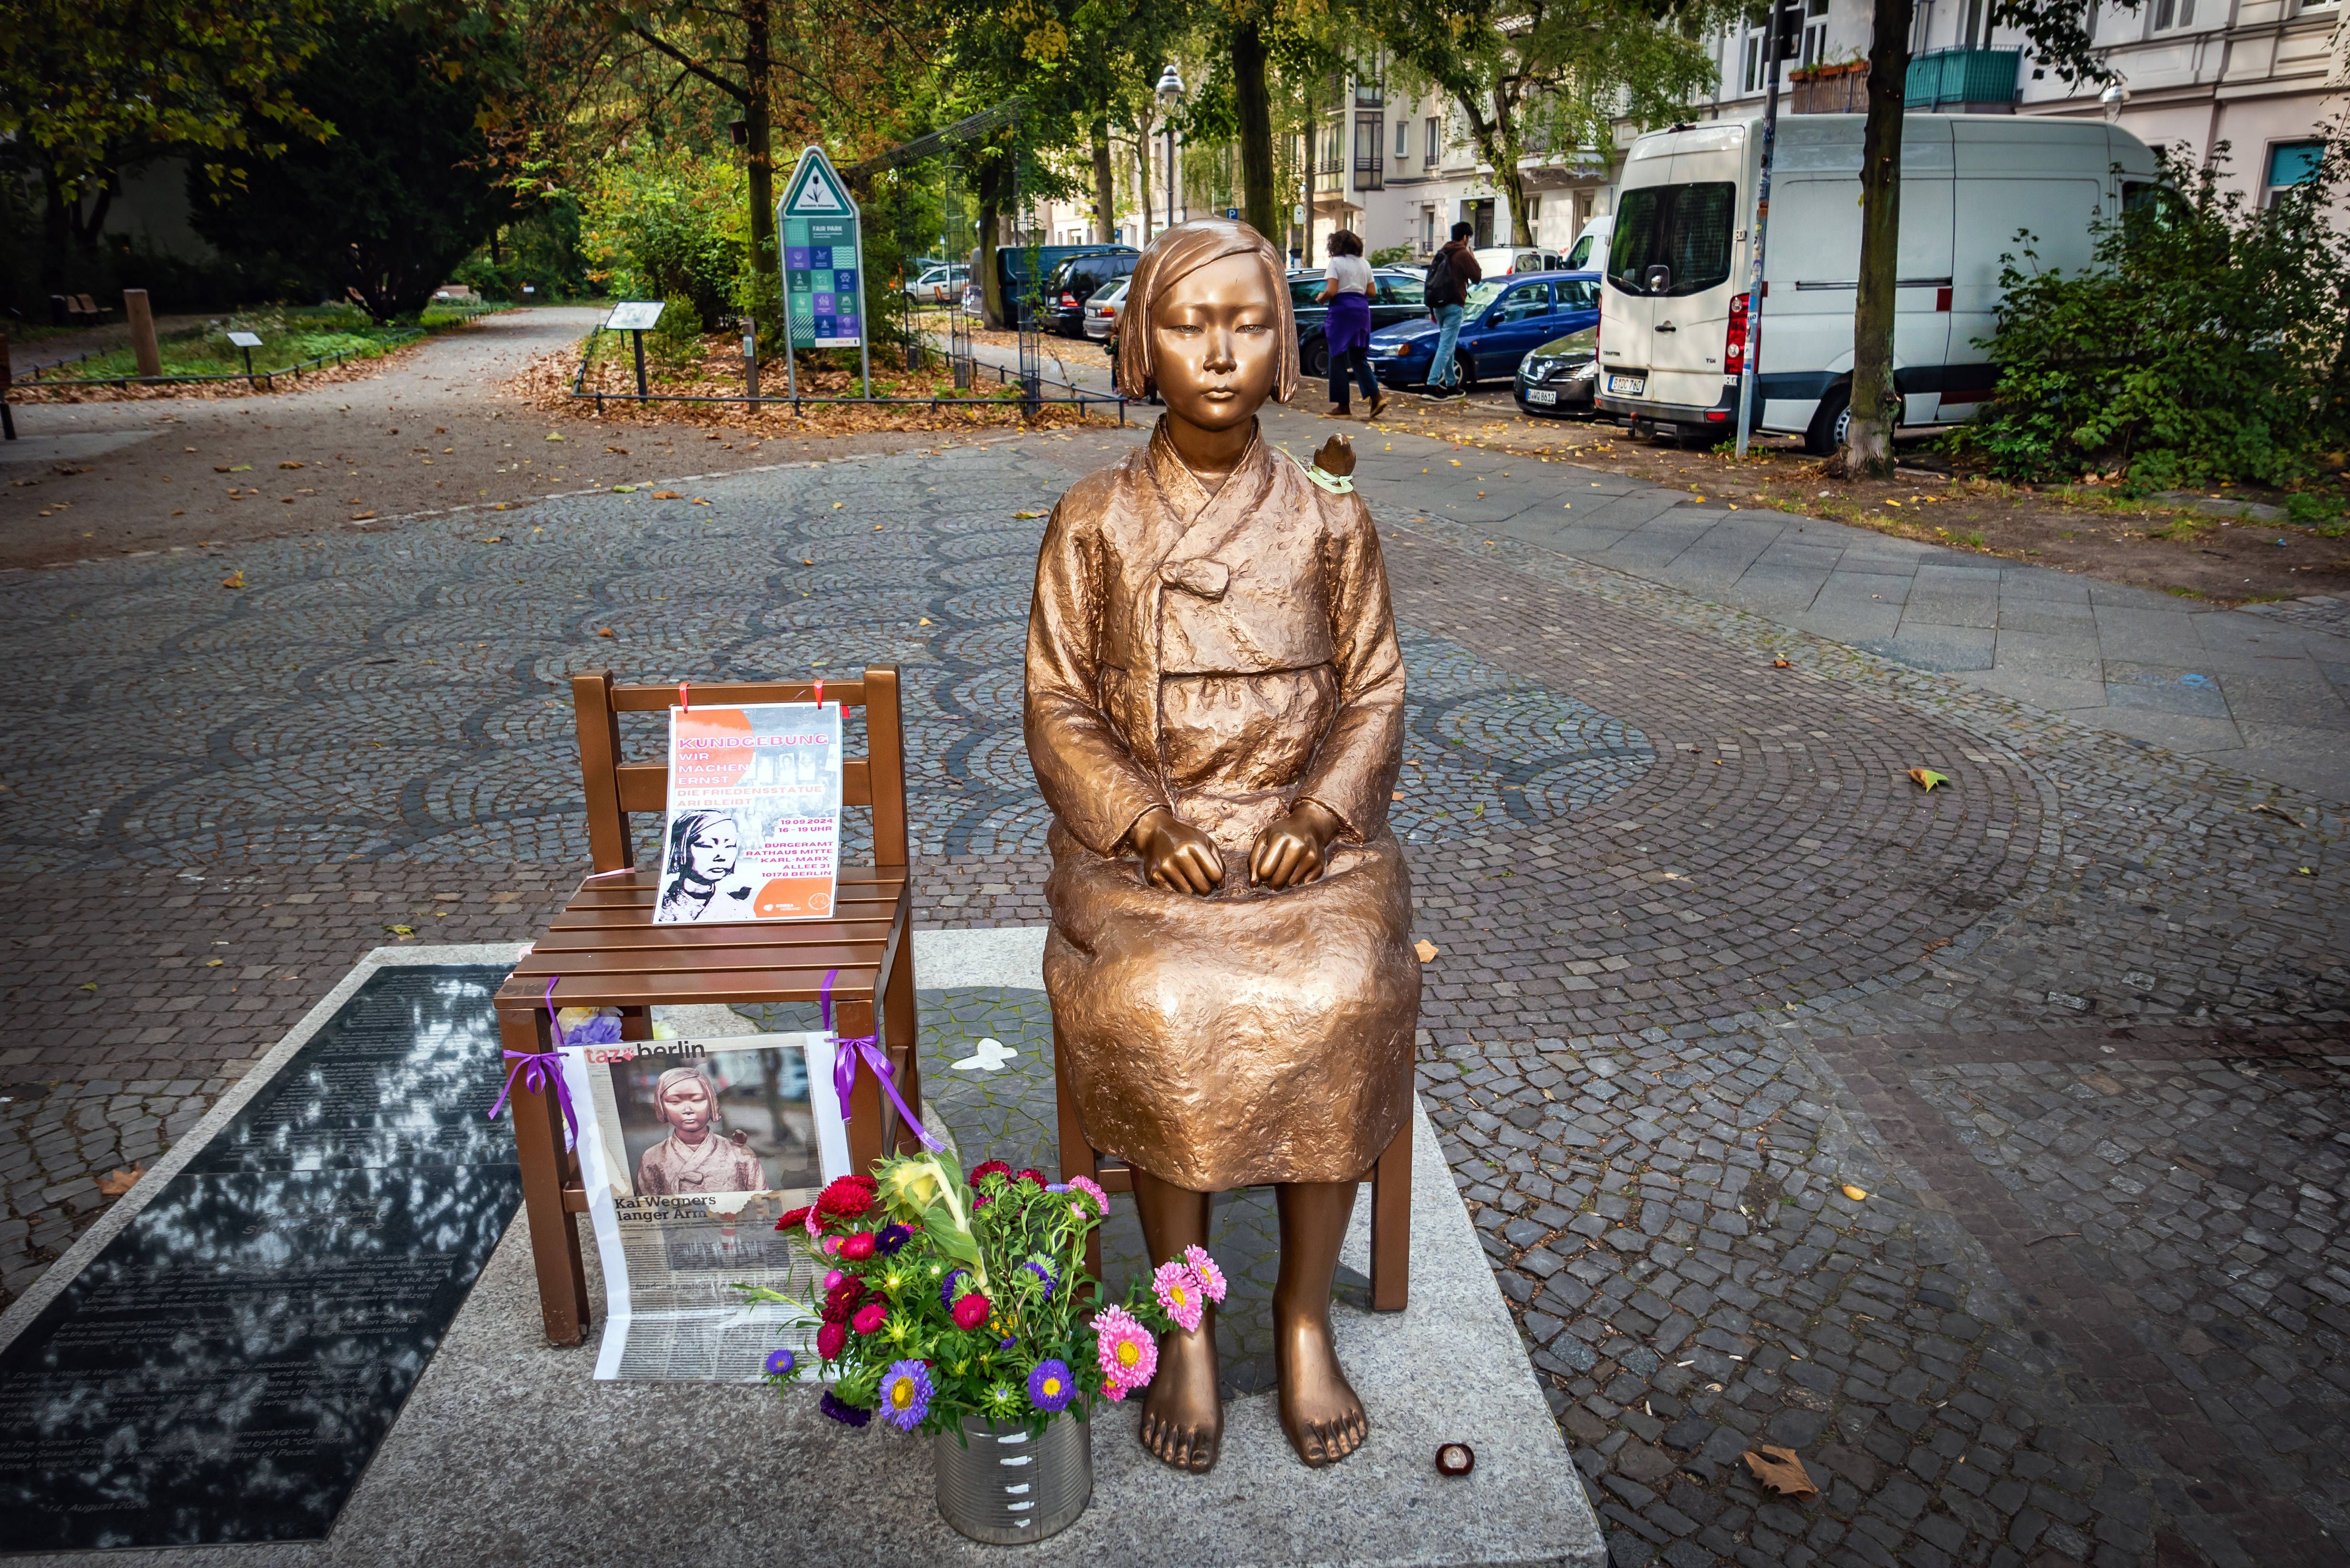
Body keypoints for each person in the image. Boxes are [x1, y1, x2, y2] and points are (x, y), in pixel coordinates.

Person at [1025, 218, 1418, 1475]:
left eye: (1246, 324)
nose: (1218, 352)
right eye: (1190, 324)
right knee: (1160, 996)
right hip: (1144, 845)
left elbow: (1378, 689)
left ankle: (1300, 1317)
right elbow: (1054, 701)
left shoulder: (1330, 515)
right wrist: (1141, 822)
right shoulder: (1093, 519)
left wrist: (1317, 815)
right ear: (1142, 340)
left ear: (1284, 343)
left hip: (1310, 841)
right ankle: (1186, 1324)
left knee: (1343, 986)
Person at [635, 1065, 767, 1195]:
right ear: (662, 1106)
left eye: (697, 1100)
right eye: (675, 1102)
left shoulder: (740, 1154)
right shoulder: (652, 1158)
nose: (687, 1110)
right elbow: (647, 1210)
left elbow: (763, 1204)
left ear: (711, 1102)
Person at [1315, 229, 1386, 420]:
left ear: (1336, 246)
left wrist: (1322, 298)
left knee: (1337, 355)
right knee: (1358, 357)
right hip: (1361, 310)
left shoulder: (1336, 263)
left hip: (1342, 311)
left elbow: (1332, 290)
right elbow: (1372, 291)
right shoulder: (1365, 264)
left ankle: (1343, 406)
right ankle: (1376, 396)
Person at [657, 810, 754, 923]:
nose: (721, 856)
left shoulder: (742, 911)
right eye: (707, 846)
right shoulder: (660, 908)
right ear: (681, 849)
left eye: (730, 846)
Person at [1421, 221, 1483, 400]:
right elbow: (1477, 277)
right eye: (1468, 238)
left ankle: (1451, 384)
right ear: (1465, 237)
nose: (1468, 241)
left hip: (1438, 306)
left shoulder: (1442, 252)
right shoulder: (1462, 254)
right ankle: (1431, 385)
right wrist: (1473, 258)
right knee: (1446, 347)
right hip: (1454, 305)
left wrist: (1432, 310)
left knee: (1449, 346)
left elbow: (1432, 281)